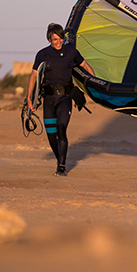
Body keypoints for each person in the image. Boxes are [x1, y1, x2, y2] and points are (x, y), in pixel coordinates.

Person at [27, 23, 94, 176]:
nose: (58, 42)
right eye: (55, 39)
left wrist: (95, 85)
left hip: (65, 98)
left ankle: (62, 166)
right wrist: (29, 99)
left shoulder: (71, 53)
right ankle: (60, 160)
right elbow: (33, 77)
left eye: (60, 38)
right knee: (51, 135)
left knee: (61, 128)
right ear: (49, 39)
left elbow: (85, 66)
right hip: (49, 99)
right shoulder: (42, 54)